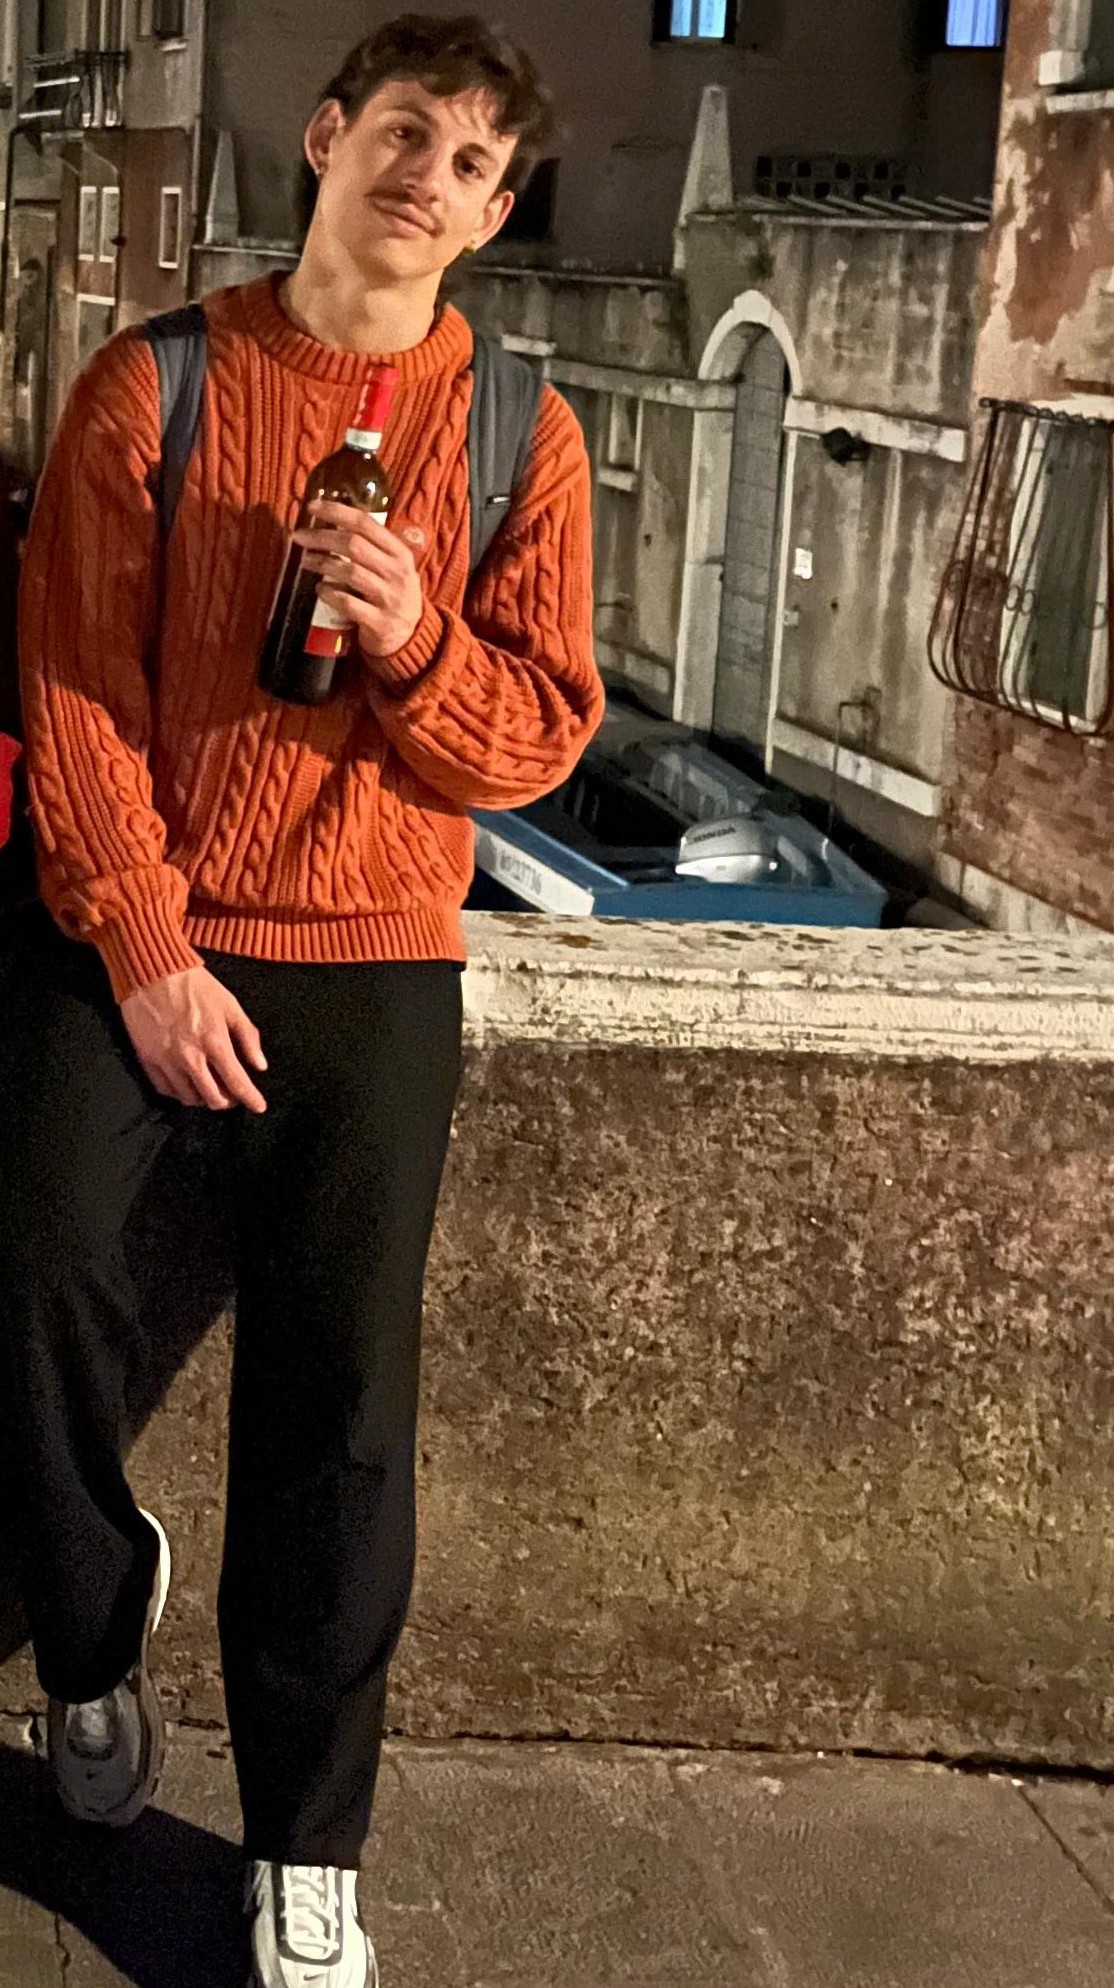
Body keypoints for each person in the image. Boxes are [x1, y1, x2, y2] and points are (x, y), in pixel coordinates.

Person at [1, 14, 603, 1986]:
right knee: (30, 1283)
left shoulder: (518, 434)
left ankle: (303, 1844)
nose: (433, 176)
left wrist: (417, 640)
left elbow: (533, 744)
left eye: (475, 163)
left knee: (339, 1413)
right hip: (144, 930)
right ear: (330, 141)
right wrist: (147, 946)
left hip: (376, 958)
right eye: (407, 132)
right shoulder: (155, 384)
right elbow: (74, 689)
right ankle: (91, 1633)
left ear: (493, 216)